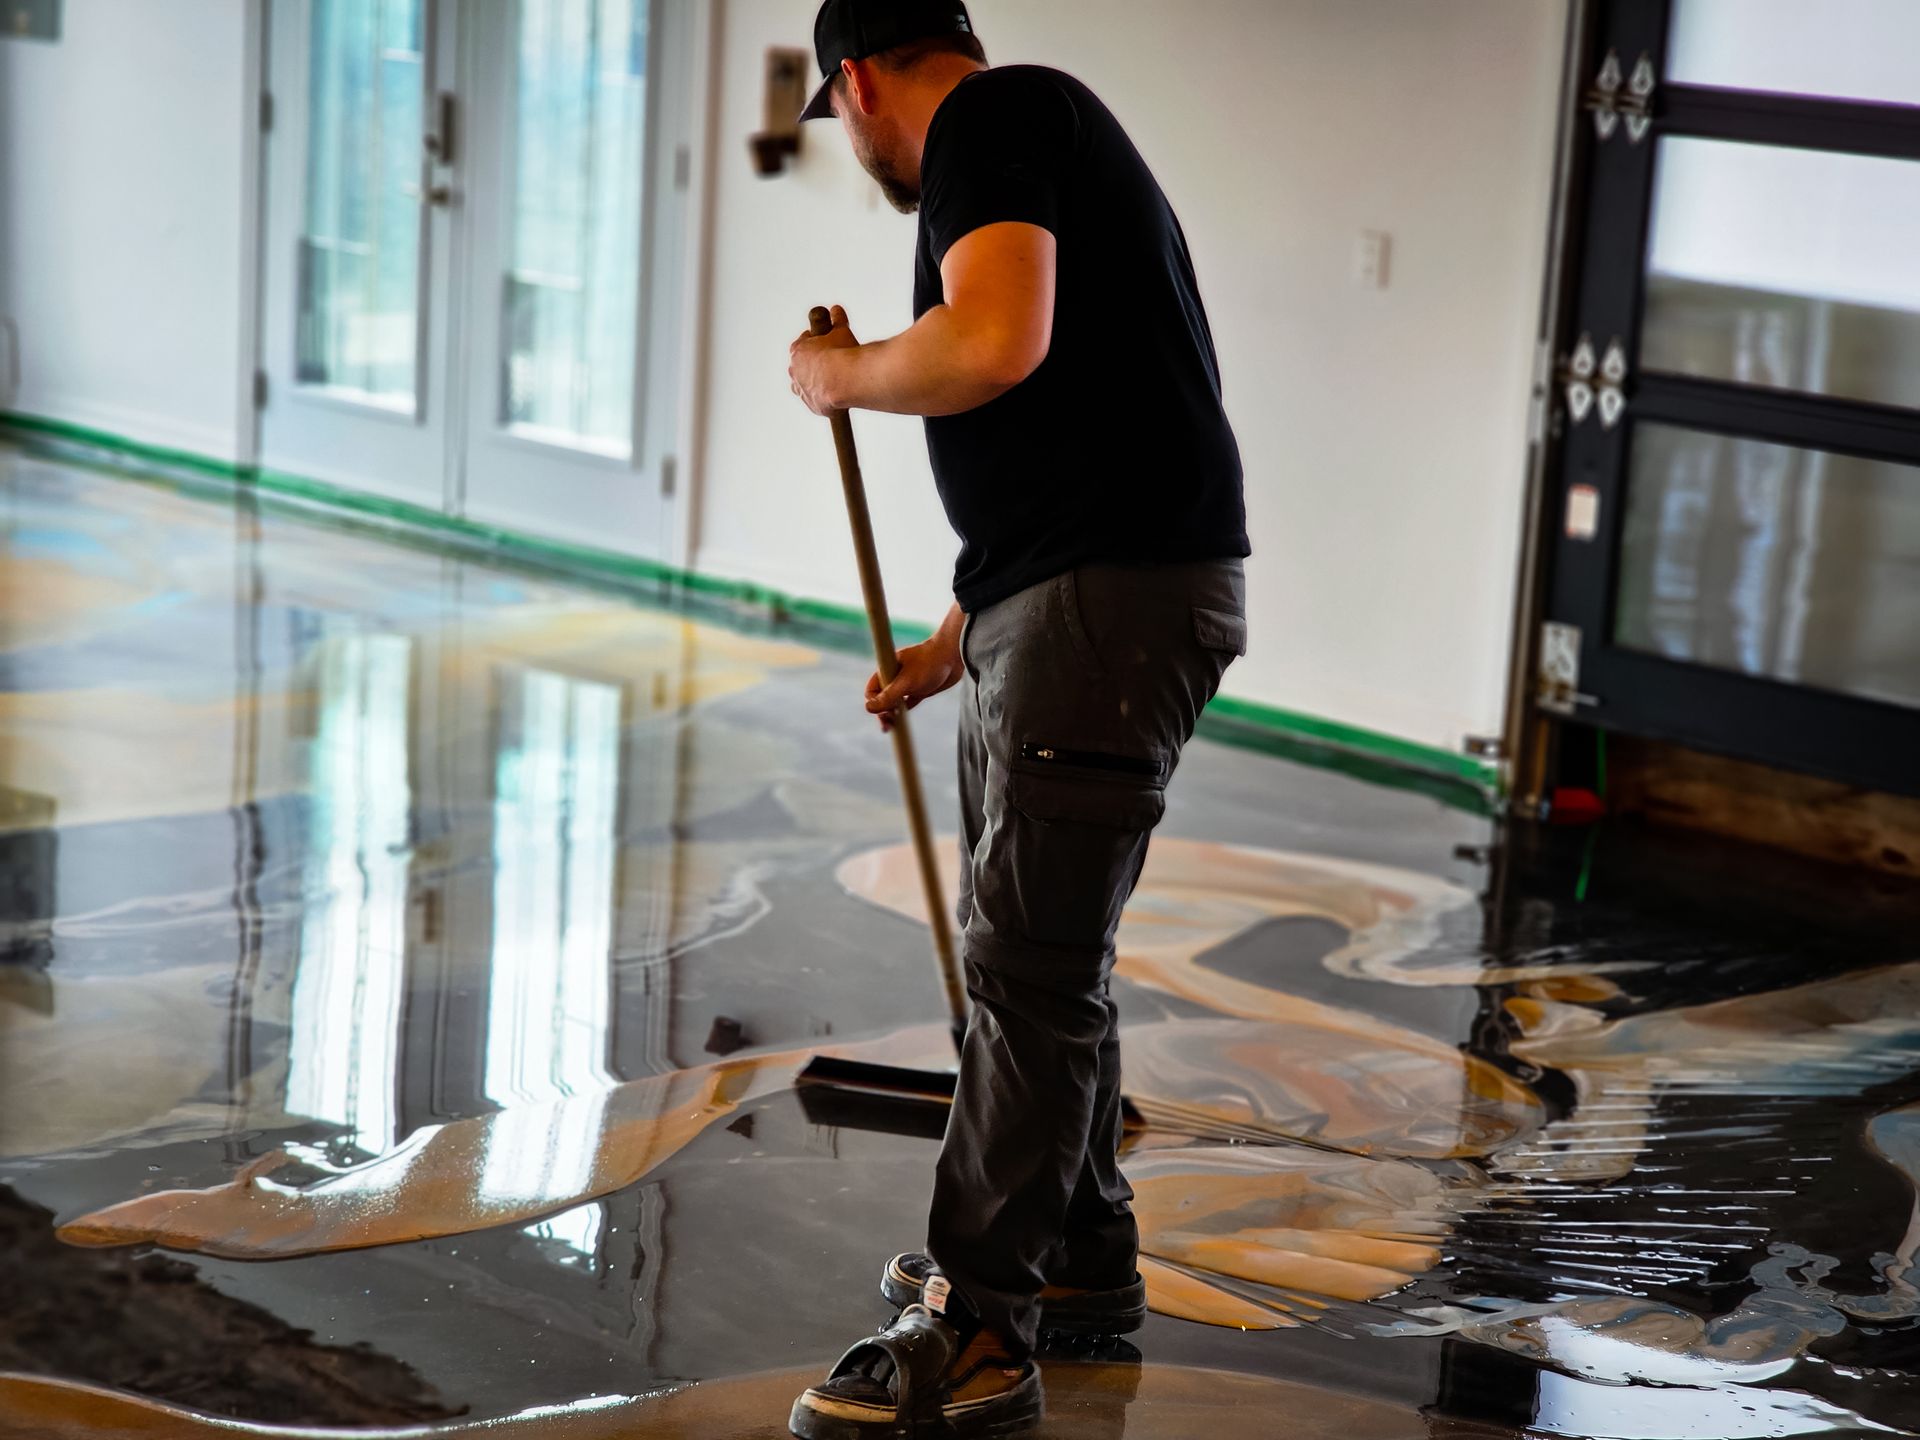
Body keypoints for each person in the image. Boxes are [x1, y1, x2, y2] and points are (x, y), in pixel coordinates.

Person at [786, 2, 1250, 1434]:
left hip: (1104, 616)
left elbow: (996, 344)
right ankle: (1075, 1257)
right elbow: (1083, 436)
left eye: (836, 112)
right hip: (1069, 605)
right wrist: (959, 637)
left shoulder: (993, 120)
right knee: (1049, 960)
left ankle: (981, 1325)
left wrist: (846, 374)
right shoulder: (1038, 133)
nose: (849, 138)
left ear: (857, 80)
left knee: (1026, 972)